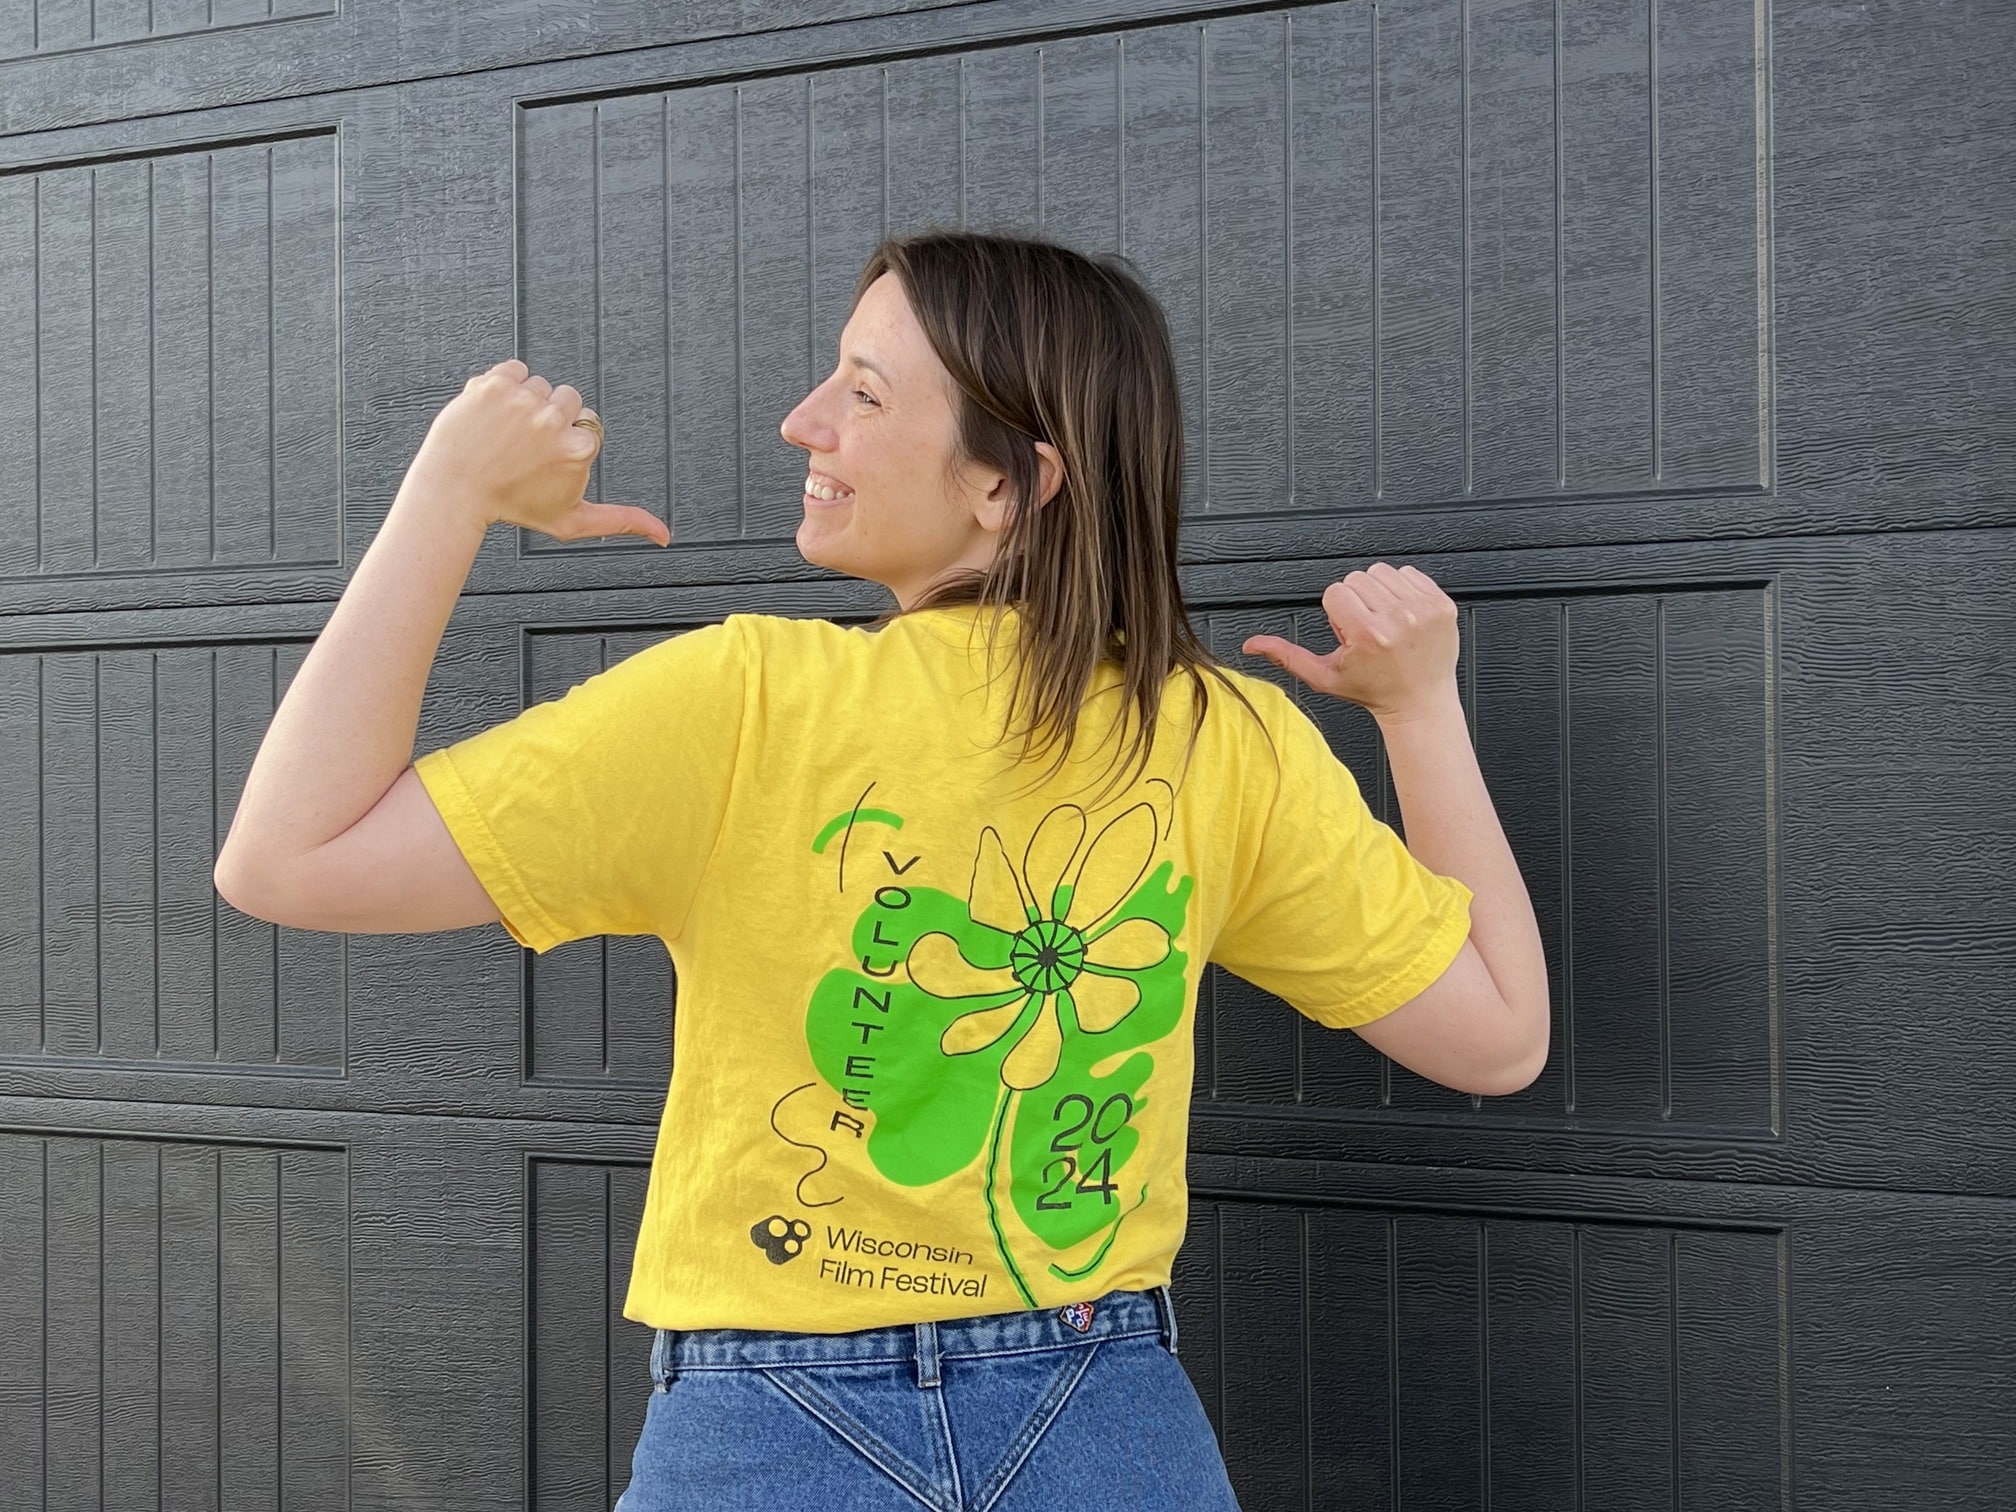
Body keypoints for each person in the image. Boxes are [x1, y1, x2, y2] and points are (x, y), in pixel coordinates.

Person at [214, 230, 1549, 1510]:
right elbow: (1496, 1038)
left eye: (860, 391)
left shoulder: (743, 706)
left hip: (772, 1427)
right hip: (1098, 1412)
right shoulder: (1214, 735)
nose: (805, 421)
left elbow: (289, 857)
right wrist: (1419, 709)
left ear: (1006, 482)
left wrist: (452, 490)